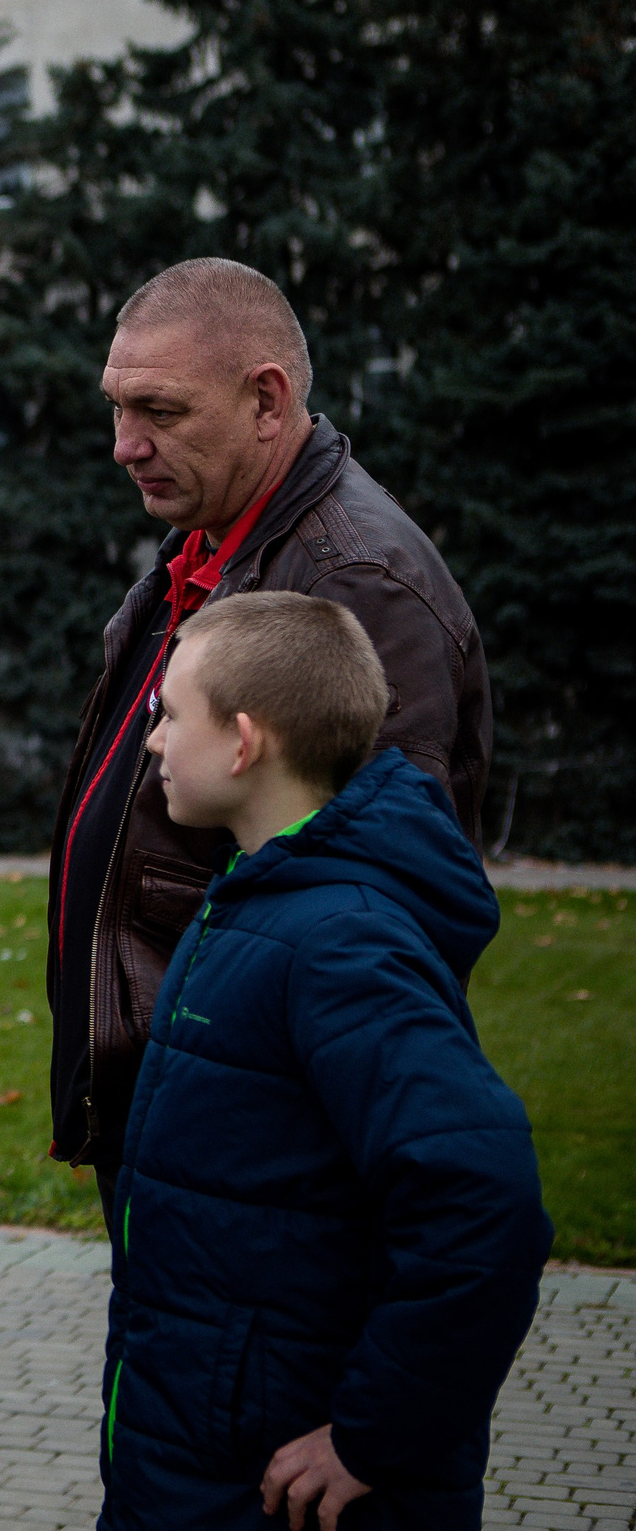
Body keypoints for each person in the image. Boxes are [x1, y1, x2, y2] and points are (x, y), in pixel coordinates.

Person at [100, 591, 546, 1531]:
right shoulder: (258, 902)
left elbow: (484, 1202)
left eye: (171, 713)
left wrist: (370, 1437)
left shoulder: (338, 942)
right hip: (225, 1487)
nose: (151, 739)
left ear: (244, 742)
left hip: (298, 1520)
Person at [47, 258, 491, 1209]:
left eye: (159, 411)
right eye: (116, 408)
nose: (125, 445)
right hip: (188, 1106)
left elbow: (387, 912)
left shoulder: (354, 579)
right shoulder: (211, 542)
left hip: (255, 1142)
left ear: (266, 400)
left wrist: (246, 1107)